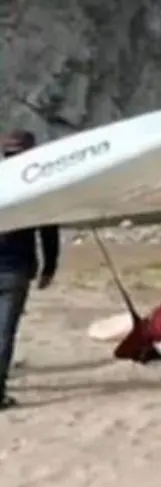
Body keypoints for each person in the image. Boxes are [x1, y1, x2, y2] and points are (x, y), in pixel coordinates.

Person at [0, 129, 60, 410]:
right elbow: (49, 231)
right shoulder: (39, 186)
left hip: (14, 268)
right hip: (16, 270)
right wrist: (49, 267)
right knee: (4, 332)